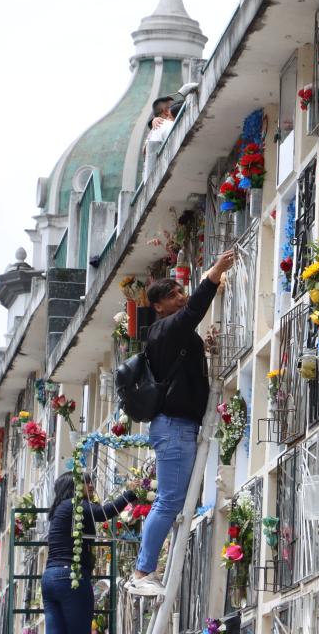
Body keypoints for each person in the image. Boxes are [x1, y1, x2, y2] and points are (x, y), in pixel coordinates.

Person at [125, 249, 236, 595]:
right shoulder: (162, 330)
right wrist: (213, 275)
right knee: (169, 501)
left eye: (179, 290)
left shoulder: (177, 335)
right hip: (173, 427)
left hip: (181, 427)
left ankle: (153, 568)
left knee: (177, 502)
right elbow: (192, 313)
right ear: (158, 306)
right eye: (171, 295)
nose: (179, 296)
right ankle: (143, 572)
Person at [42, 472, 136, 634]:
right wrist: (131, 493)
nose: (91, 486)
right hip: (71, 576)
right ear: (73, 487)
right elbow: (103, 513)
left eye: (91, 481)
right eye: (86, 483)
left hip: (50, 578)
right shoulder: (74, 503)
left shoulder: (59, 509)